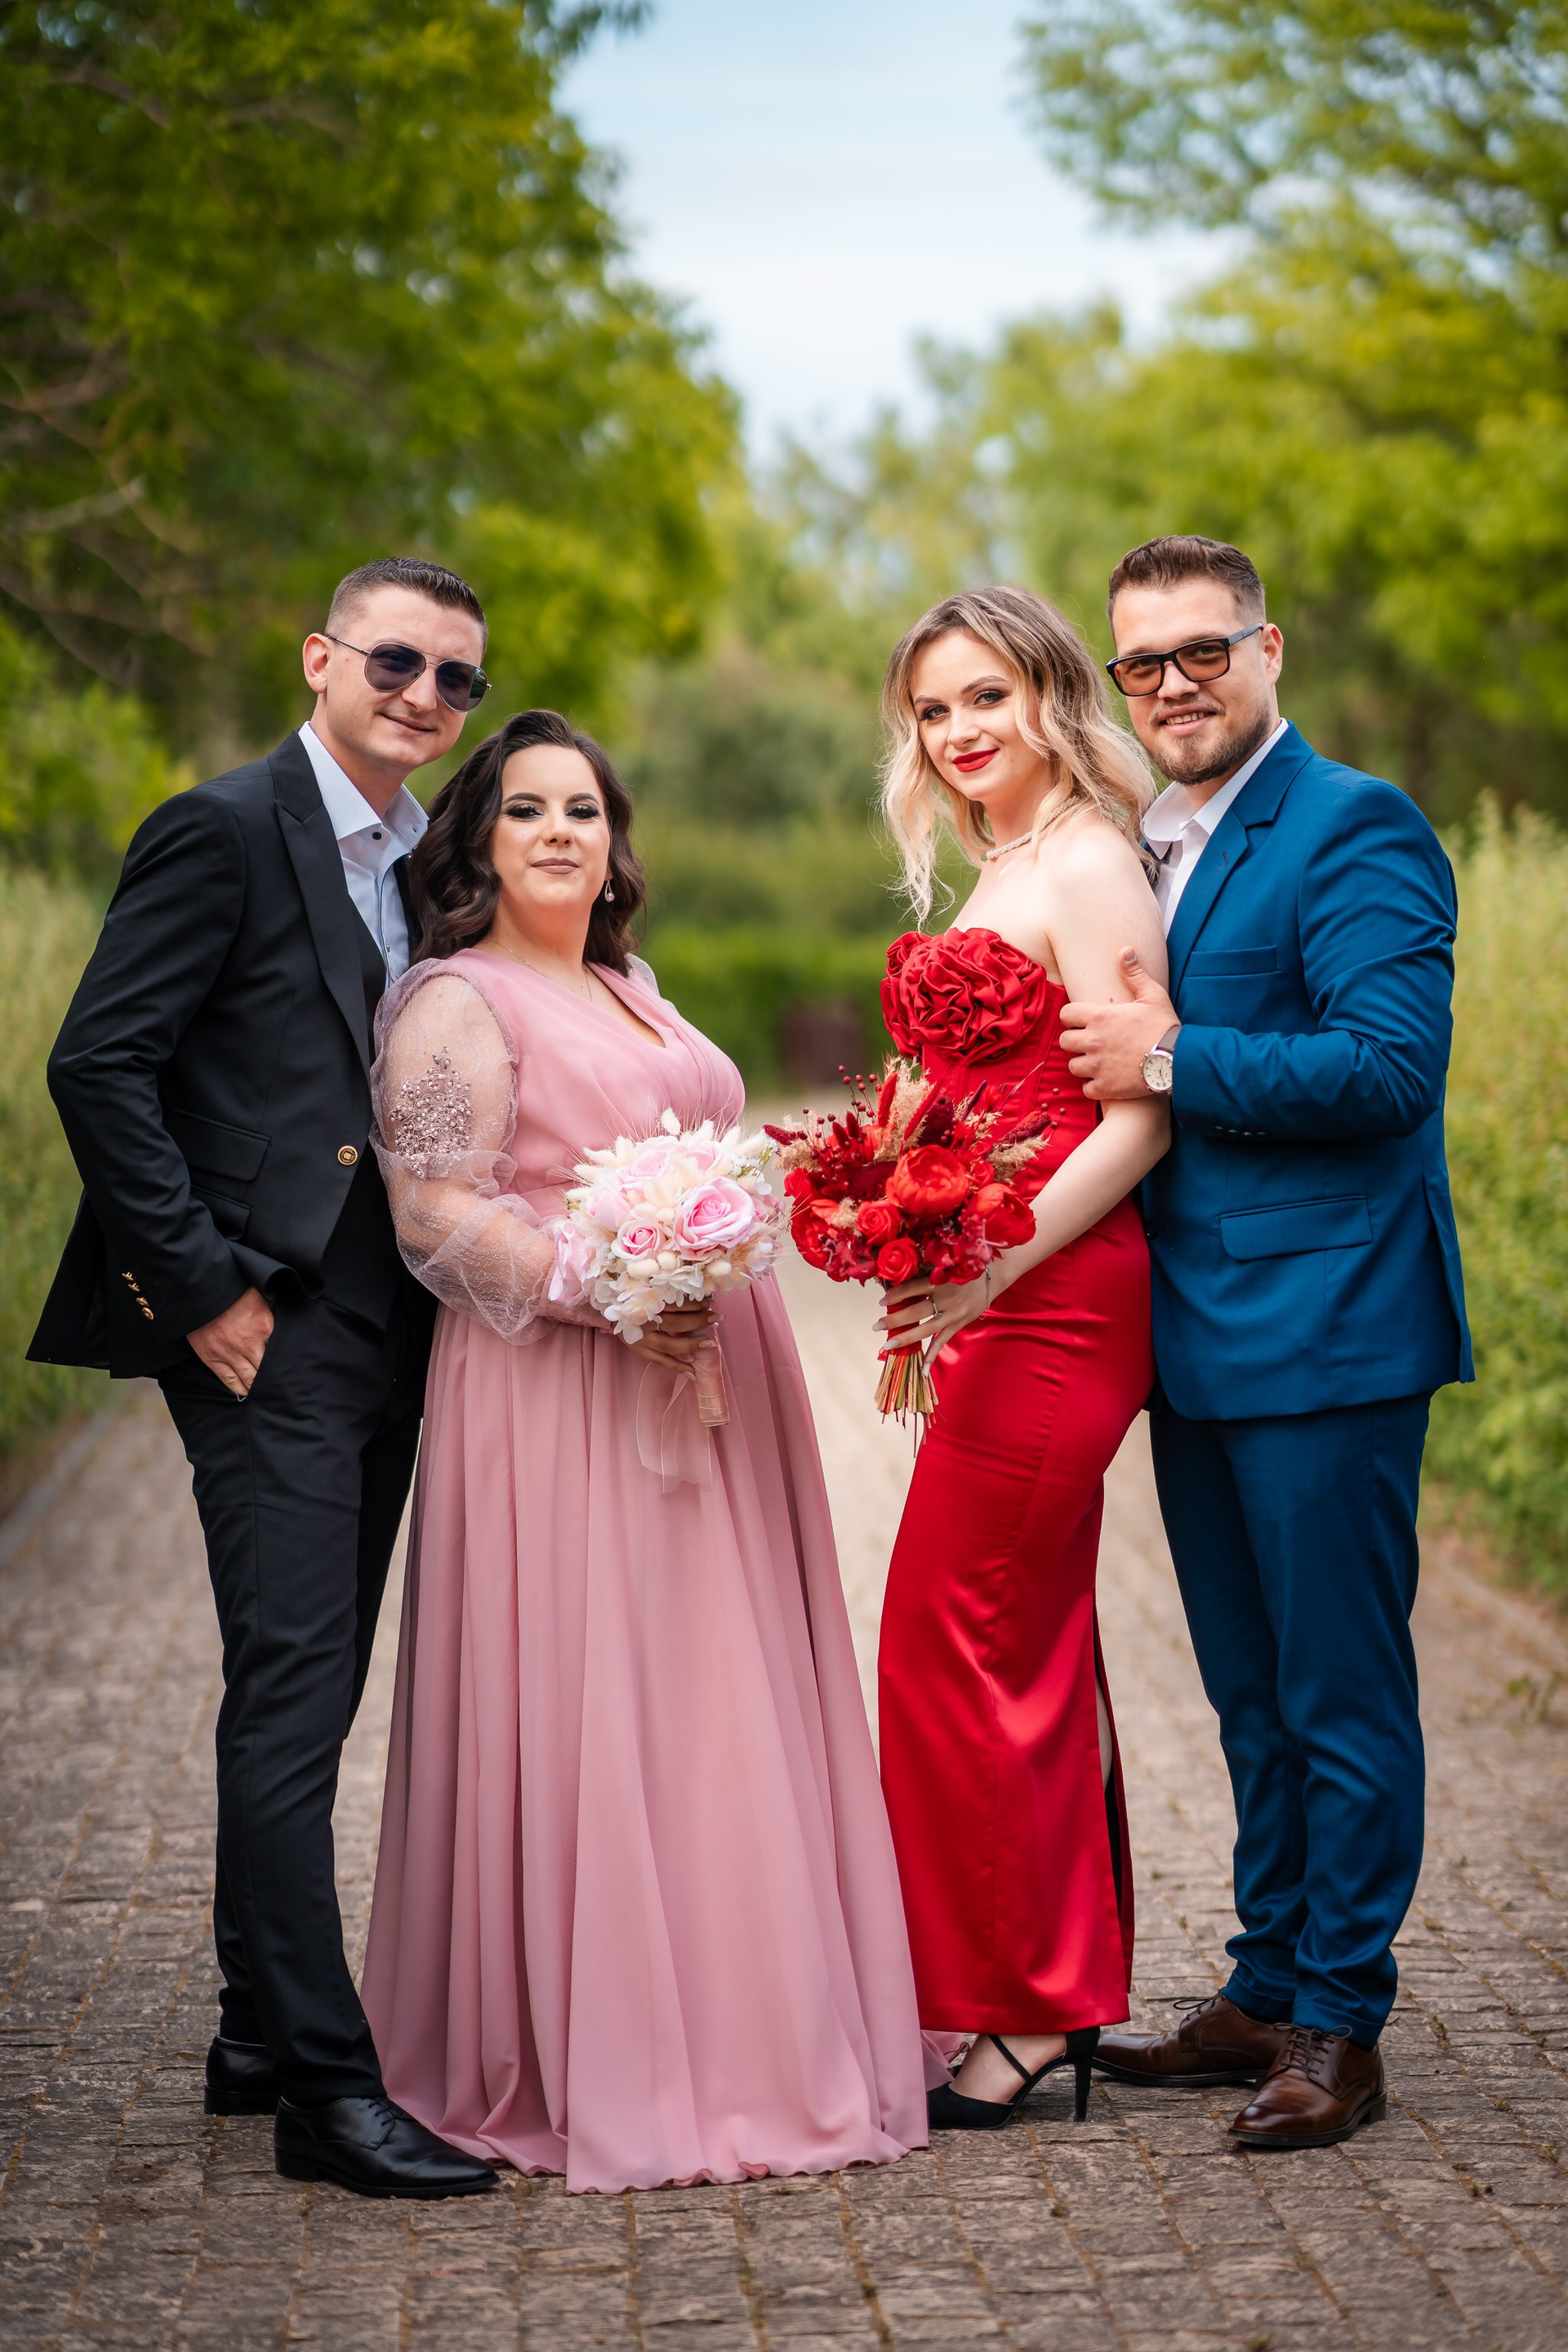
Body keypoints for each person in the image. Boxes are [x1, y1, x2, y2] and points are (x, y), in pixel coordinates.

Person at [359, 706, 929, 2193]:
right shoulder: (453, 1001)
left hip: (713, 1381)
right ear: (478, 842)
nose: (560, 832)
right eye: (527, 809)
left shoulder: (635, 988)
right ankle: (600, 2047)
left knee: (711, 1690)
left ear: (616, 845)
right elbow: (432, 1210)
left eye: (586, 810)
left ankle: (748, 2021)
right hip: (557, 1391)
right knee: (597, 1685)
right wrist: (604, 1284)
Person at [29, 557, 500, 2199]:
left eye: (455, 679)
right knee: (297, 1695)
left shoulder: (432, 863)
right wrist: (202, 1290)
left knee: (309, 1678)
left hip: (393, 1330)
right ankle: (323, 2087)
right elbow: (100, 1062)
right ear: (320, 657)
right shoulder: (222, 829)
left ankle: (249, 2030)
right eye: (395, 660)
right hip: (264, 1329)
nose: (423, 695)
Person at [1062, 535, 1470, 2151]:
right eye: (1142, 664)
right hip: (1196, 1339)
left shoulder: (1355, 823)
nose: (1173, 685)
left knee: (1339, 1695)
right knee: (1249, 1695)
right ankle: (1264, 1981)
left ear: (1269, 649)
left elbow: (1390, 1069)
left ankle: (1339, 2024)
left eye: (1202, 652)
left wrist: (1173, 1055)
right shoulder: (1146, 842)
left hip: (1332, 1336)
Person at [872, 586, 1169, 2129]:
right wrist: (884, 1207)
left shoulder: (1093, 860)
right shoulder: (998, 863)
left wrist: (991, 1261)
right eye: (934, 709)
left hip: (1061, 1301)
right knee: (1004, 1641)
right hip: (994, 1297)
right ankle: (1020, 1987)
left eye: (986, 695)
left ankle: (1038, 2008)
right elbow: (965, 1085)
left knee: (961, 1641)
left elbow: (1139, 1116)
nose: (959, 730)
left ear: (1051, 694)